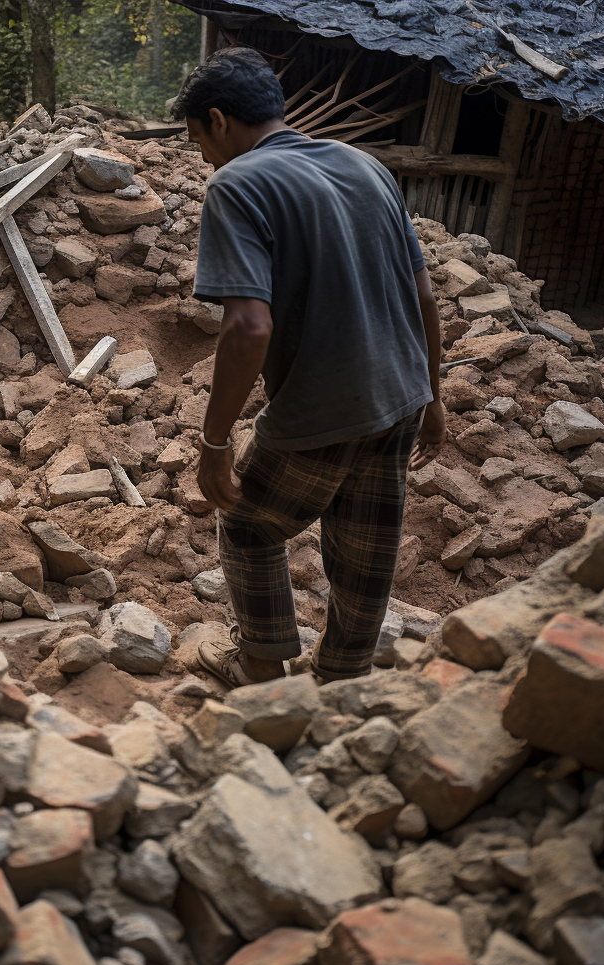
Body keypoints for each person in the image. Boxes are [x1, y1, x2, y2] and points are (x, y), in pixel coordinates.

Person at [171, 46, 446, 689]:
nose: (203, 156)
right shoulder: (365, 166)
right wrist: (435, 398)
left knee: (248, 527)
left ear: (217, 120)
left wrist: (215, 442)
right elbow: (425, 295)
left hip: (323, 406)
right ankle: (341, 678)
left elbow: (248, 326)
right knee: (363, 552)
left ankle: (263, 663)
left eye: (197, 140)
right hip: (401, 395)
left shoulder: (238, 185)